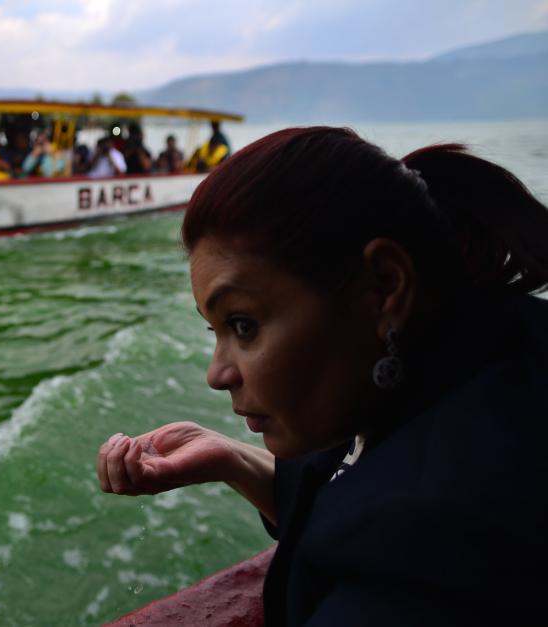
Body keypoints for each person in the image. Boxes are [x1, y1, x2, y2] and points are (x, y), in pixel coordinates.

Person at [97, 127, 548, 626]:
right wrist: (233, 461)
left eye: (243, 325)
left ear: (384, 287)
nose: (217, 374)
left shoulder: (432, 554)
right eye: (215, 330)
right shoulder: (486, 348)